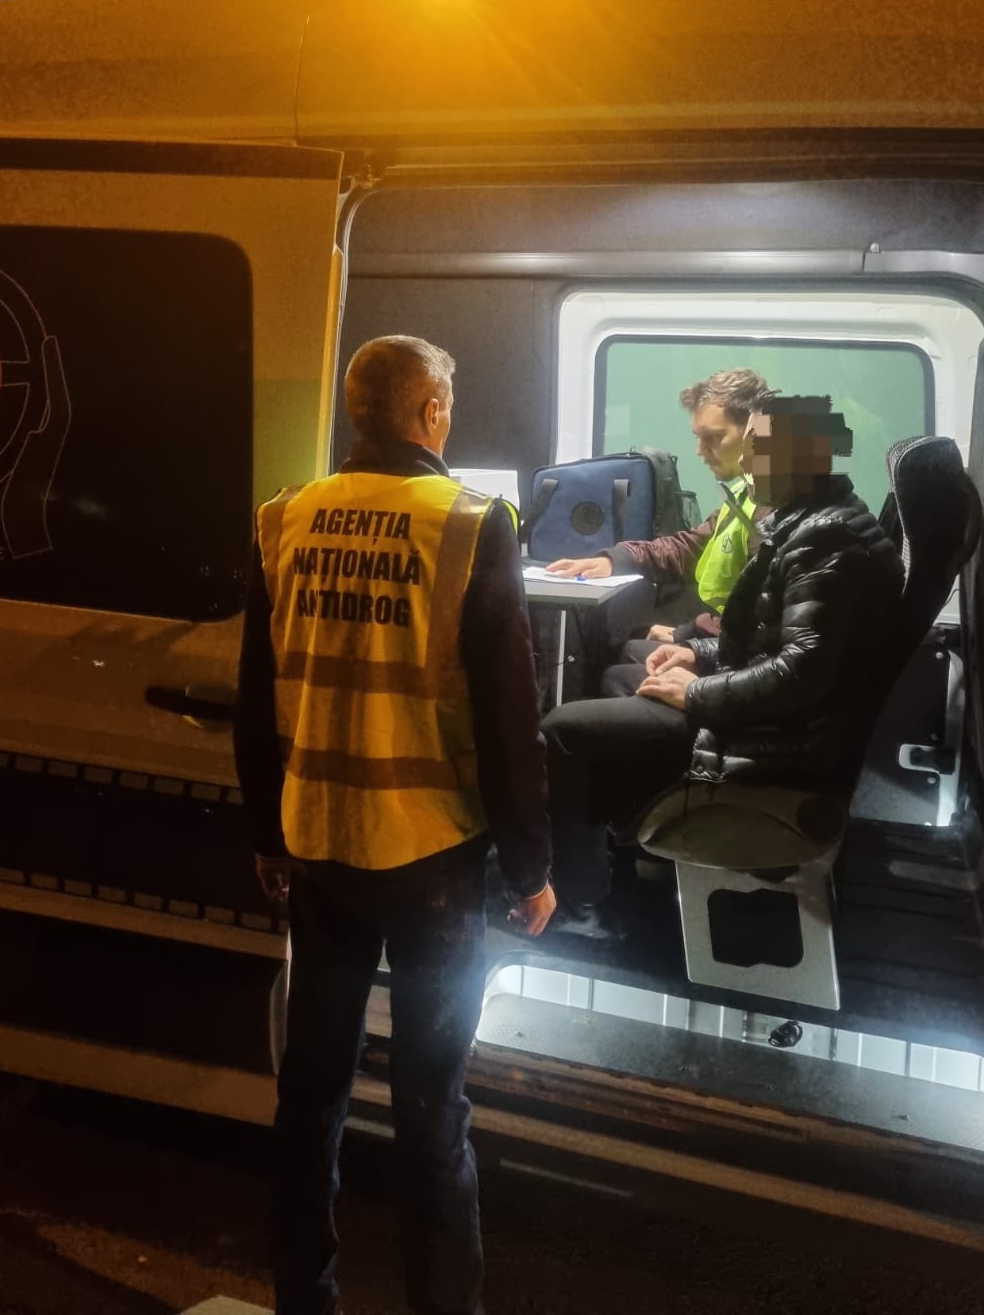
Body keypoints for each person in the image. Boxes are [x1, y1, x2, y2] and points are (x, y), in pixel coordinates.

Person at [234, 334, 555, 1315]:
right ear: (432, 414)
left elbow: (256, 695)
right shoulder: (470, 521)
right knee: (430, 1108)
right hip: (434, 863)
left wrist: (268, 833)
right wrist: (531, 864)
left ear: (357, 411)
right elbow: (508, 715)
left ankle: (305, 1297)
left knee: (310, 1095)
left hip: (320, 847)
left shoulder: (285, 516)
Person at [541, 393, 901, 924]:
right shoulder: (811, 520)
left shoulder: (826, 542)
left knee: (561, 730)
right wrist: (696, 649)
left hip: (775, 745)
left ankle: (578, 904)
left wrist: (694, 692)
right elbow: (771, 641)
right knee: (627, 677)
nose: (746, 461)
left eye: (758, 448)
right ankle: (629, 850)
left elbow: (799, 672)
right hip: (779, 725)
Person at [544, 369, 769, 664]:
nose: (699, 450)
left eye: (713, 437)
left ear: (755, 433)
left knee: (624, 665)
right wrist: (616, 559)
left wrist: (690, 636)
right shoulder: (746, 495)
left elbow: (763, 620)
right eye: (698, 437)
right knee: (630, 646)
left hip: (742, 658)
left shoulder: (773, 509)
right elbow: (689, 547)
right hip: (726, 640)